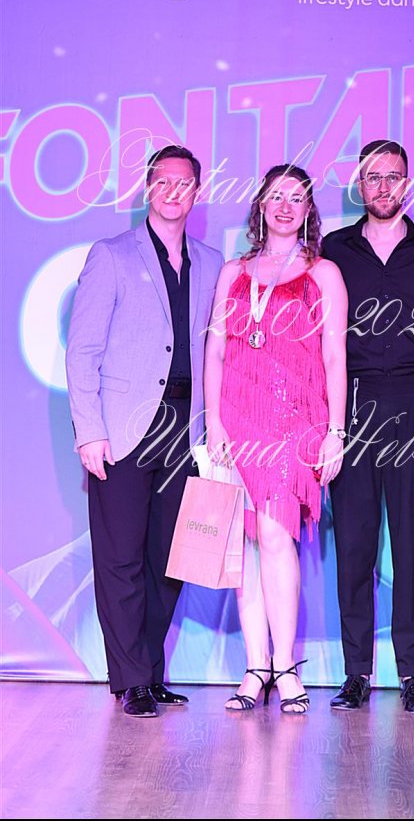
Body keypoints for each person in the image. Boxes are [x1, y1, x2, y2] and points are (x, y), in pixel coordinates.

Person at [66, 145, 222, 717]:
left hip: (185, 427)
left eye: (184, 183)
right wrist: (89, 431)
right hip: (122, 425)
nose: (173, 191)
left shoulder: (212, 262)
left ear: (198, 191)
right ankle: (130, 678)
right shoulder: (110, 255)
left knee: (169, 557)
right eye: (163, 181)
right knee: (121, 557)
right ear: (147, 187)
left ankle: (150, 672)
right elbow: (82, 350)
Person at [204, 164, 348, 714]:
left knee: (275, 535)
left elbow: (335, 356)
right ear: (260, 205)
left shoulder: (324, 273)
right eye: (275, 196)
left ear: (309, 209)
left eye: (296, 198)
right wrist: (214, 422)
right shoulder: (233, 272)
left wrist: (336, 432)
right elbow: (216, 351)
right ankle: (254, 668)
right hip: (237, 420)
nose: (285, 206)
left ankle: (285, 667)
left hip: (296, 423)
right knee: (245, 542)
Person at [321, 140, 414, 713]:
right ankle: (356, 672)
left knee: (411, 548)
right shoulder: (334, 249)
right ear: (359, 184)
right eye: (373, 177)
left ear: (408, 183)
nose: (383, 186)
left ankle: (412, 674)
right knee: (354, 546)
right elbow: (319, 343)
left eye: (393, 176)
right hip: (352, 409)